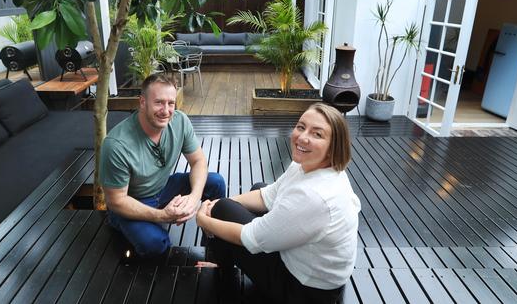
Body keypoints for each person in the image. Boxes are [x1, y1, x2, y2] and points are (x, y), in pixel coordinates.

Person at [195, 103, 361, 303]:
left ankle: (220, 265)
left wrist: (204, 219)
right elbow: (267, 195)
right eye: (301, 127)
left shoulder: (314, 196)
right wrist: (221, 200)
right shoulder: (308, 166)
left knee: (223, 210)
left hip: (302, 291)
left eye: (317, 134)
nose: (302, 137)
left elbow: (250, 237)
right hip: (307, 266)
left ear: (334, 146)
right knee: (251, 190)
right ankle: (219, 249)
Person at [100, 74, 225, 257]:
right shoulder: (117, 144)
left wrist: (193, 197)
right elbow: (116, 201)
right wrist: (163, 216)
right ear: (142, 102)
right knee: (154, 244)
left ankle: (212, 245)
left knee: (216, 182)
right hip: (131, 202)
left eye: (171, 103)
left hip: (163, 188)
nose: (166, 110)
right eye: (159, 102)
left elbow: (198, 161)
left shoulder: (180, 121)